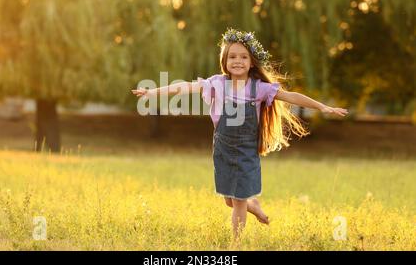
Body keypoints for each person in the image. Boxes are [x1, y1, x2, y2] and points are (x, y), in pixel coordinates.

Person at [132, 27, 349, 241]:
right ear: (224, 61)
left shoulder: (259, 88)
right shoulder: (217, 84)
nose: (238, 61)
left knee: (237, 202)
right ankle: (253, 205)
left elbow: (291, 96)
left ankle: (236, 244)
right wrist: (152, 92)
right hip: (223, 149)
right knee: (229, 199)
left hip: (246, 151)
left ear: (252, 61)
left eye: (243, 57)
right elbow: (184, 88)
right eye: (232, 56)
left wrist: (323, 107)